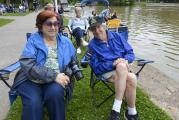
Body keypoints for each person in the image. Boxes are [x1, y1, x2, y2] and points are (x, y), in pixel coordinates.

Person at [12, 10, 76, 120]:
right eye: (48, 24)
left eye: (56, 24)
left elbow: (73, 61)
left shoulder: (66, 42)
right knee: (33, 103)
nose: (53, 27)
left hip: (54, 81)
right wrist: (55, 76)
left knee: (55, 95)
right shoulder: (33, 40)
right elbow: (28, 64)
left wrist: (67, 74)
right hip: (30, 79)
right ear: (40, 26)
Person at [88, 16, 139, 120]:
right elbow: (96, 68)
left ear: (104, 25)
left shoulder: (117, 36)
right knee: (131, 77)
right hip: (107, 72)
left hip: (123, 68)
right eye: (93, 29)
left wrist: (125, 60)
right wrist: (112, 64)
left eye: (98, 27)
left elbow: (130, 53)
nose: (97, 31)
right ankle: (130, 113)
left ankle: (119, 111)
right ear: (91, 31)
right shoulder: (92, 45)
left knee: (127, 72)